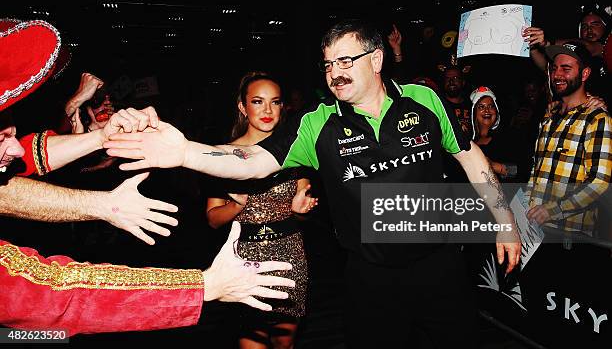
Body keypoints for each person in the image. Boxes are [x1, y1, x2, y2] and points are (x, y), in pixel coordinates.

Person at [105, 19, 521, 348]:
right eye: (327, 64)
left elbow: (469, 156)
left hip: (440, 267)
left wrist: (504, 220)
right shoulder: (317, 123)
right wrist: (185, 153)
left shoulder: (424, 100)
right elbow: (253, 161)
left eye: (345, 61)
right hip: (370, 276)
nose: (334, 73)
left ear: (376, 59)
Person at [0, 18, 295, 335]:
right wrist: (202, 286)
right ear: (241, 106)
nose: (17, 149)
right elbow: (56, 297)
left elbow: (24, 162)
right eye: (2, 137)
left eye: (275, 102)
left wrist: (102, 142)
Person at [206, 72, 316, 349]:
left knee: (285, 341)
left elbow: (303, 214)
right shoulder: (223, 156)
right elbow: (212, 220)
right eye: (258, 101)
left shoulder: (295, 153)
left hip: (290, 256)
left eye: (275, 102)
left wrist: (299, 210)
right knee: (251, 342)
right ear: (243, 107)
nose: (267, 110)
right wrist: (237, 205)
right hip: (244, 259)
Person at [526, 41, 612, 237]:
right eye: (554, 68)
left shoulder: (597, 119)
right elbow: (537, 170)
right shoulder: (549, 117)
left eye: (566, 69)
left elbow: (599, 182)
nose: (557, 75)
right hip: (534, 231)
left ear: (584, 74)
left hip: (570, 235)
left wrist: (552, 210)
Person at [469, 86, 518, 181]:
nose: (487, 110)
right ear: (474, 113)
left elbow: (519, 170)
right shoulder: (467, 143)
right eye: (481, 107)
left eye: (491, 106)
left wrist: (492, 165)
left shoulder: (508, 137)